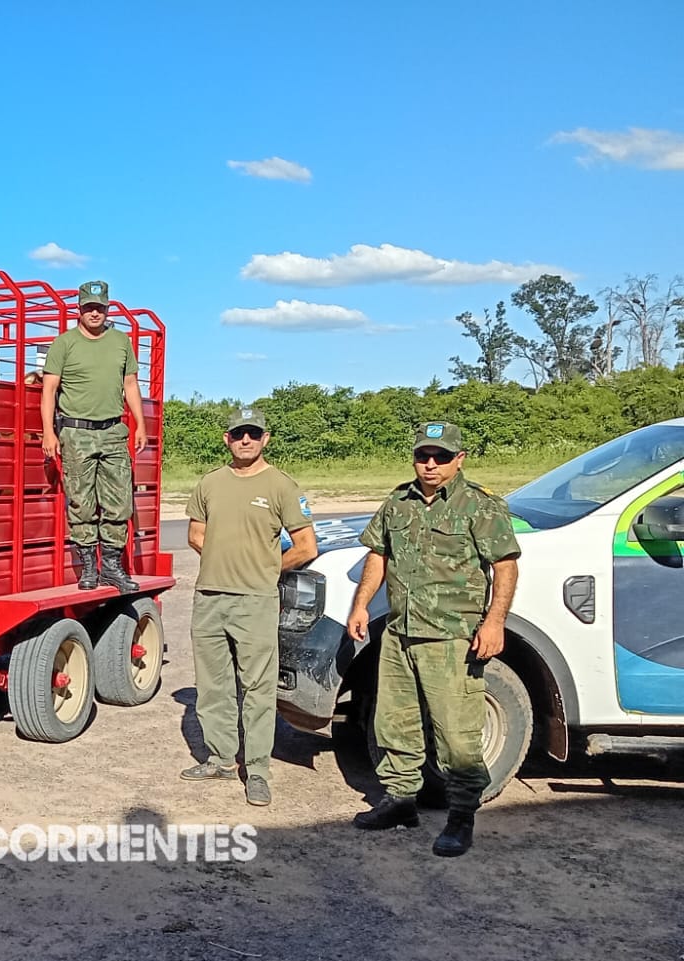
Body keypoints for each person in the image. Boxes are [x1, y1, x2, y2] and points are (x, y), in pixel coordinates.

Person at [347, 421, 521, 857]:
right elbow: (378, 554)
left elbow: (504, 565)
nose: (430, 464)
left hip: (451, 638)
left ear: (459, 459)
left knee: (456, 734)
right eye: (423, 456)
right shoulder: (398, 502)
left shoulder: (479, 506)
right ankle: (400, 800)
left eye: (441, 457)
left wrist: (495, 621)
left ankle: (462, 816)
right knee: (395, 722)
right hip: (400, 632)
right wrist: (361, 605)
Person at [180, 408, 318, 806]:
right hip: (209, 597)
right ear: (227, 438)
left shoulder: (281, 487)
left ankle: (256, 770)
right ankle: (222, 759)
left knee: (257, 688)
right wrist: (226, 561)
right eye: (239, 433)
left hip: (256, 600)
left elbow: (306, 546)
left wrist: (263, 568)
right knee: (213, 685)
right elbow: (195, 534)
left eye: (253, 434)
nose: (245, 440)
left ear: (265, 439)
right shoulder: (210, 483)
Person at [40, 281, 148, 594]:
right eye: (89, 307)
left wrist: (140, 423)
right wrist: (48, 431)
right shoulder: (64, 344)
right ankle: (88, 567)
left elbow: (130, 384)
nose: (95, 313)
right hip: (76, 431)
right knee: (81, 501)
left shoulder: (120, 341)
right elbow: (48, 390)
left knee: (118, 501)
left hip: (113, 430)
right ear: (79, 309)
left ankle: (112, 567)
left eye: (100, 307)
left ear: (107, 308)